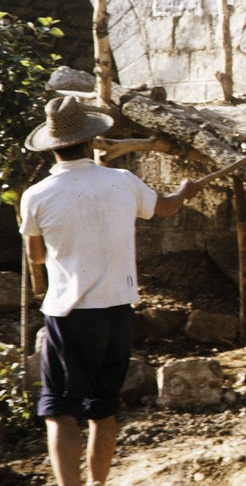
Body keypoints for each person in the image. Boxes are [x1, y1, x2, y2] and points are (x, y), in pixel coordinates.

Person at [19, 95, 199, 486]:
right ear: (90, 141)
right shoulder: (122, 182)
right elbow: (165, 207)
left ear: (53, 149)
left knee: (60, 409)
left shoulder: (36, 195)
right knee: (103, 407)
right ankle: (99, 484)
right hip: (119, 311)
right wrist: (185, 191)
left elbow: (35, 258)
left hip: (71, 314)